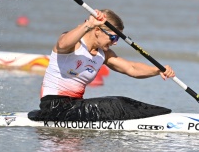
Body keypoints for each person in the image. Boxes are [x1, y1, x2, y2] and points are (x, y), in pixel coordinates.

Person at [29, 9, 176, 122]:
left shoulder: (102, 54)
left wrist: (157, 70)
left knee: (123, 101)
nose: (115, 42)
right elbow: (62, 44)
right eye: (113, 37)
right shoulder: (74, 44)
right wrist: (88, 24)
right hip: (54, 107)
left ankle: (164, 115)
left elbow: (131, 69)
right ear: (98, 30)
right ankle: (159, 119)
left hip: (75, 106)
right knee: (116, 104)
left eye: (117, 38)